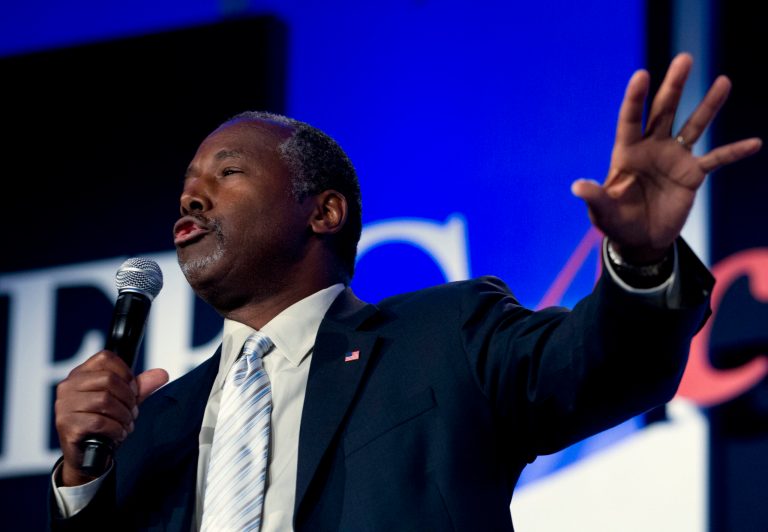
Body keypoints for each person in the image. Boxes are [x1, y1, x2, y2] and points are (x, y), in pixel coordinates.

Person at [49, 52, 761, 531]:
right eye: (185, 191)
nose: (192, 202)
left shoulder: (444, 335)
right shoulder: (154, 420)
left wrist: (640, 259)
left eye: (225, 176)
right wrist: (83, 471)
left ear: (324, 211)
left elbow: (602, 369)